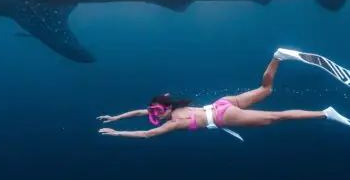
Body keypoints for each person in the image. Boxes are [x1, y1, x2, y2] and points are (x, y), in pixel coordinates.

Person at [97, 51, 329, 139]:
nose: (156, 116)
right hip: (222, 103)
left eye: (157, 112)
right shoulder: (176, 109)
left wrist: (117, 132)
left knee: (277, 117)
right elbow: (139, 112)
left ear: (165, 108)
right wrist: (115, 118)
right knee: (266, 89)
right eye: (154, 113)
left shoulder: (175, 122)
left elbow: (147, 134)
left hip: (223, 116)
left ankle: (325, 114)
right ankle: (278, 57)